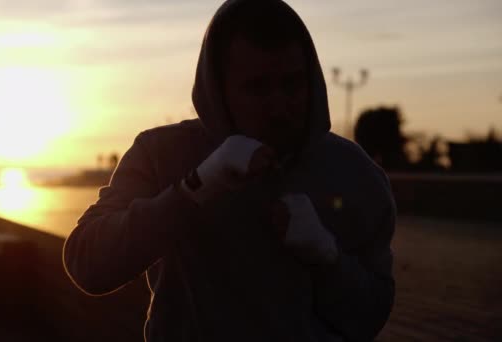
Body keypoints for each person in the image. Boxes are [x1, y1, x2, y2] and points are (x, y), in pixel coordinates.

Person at [63, 0, 396, 341]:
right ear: (218, 90)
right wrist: (194, 189)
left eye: (292, 85)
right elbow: (88, 264)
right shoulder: (161, 154)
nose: (278, 107)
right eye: (257, 87)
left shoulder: (356, 173)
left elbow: (370, 317)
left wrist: (327, 257)